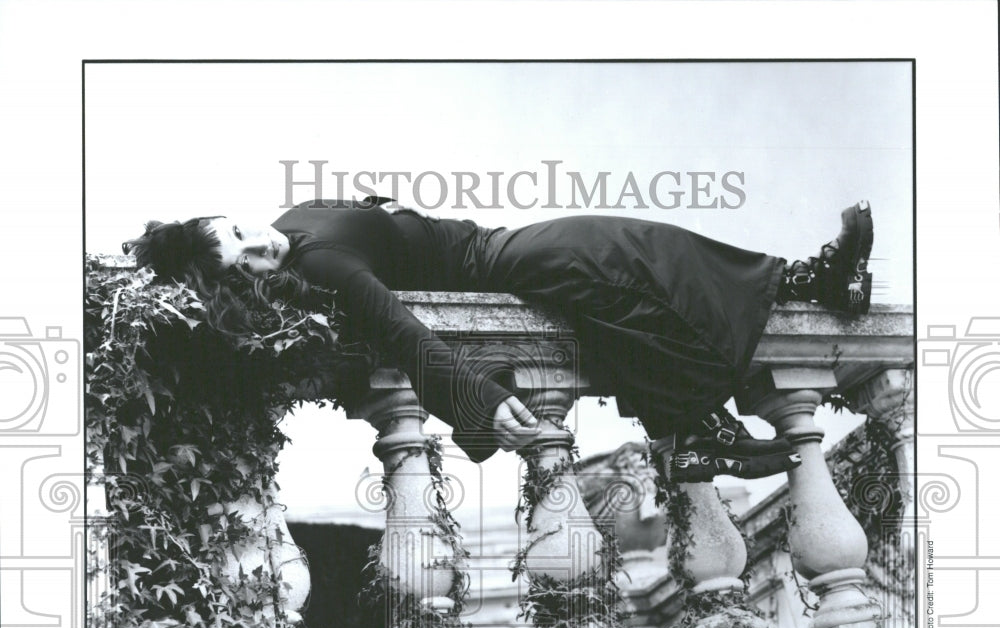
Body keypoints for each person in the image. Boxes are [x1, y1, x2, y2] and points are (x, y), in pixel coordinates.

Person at [123, 198, 873, 483]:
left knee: (632, 257)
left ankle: (693, 423)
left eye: (240, 233)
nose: (261, 249)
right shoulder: (320, 264)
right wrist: (476, 396)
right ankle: (806, 283)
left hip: (495, 247)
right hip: (490, 264)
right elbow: (399, 329)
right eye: (244, 262)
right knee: (621, 251)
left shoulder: (292, 223)